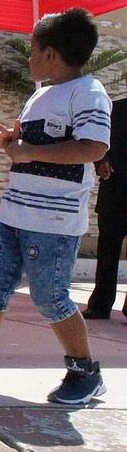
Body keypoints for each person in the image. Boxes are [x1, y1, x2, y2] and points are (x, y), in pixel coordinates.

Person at [0, 8, 112, 405]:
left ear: (50, 53)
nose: (28, 58)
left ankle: (85, 371)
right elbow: (31, 148)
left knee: (50, 296)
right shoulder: (42, 94)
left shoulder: (89, 92)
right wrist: (14, 141)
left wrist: (27, 151)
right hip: (12, 214)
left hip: (53, 221)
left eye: (32, 49)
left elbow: (94, 146)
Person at [83, 97, 127, 320]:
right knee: (107, 253)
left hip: (114, 194)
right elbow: (97, 144)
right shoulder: (113, 110)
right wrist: (101, 163)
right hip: (115, 192)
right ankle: (100, 306)